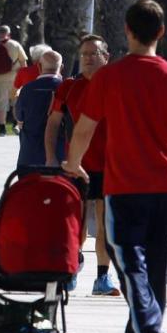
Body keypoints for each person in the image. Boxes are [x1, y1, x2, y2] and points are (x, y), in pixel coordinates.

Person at [63, 0, 167, 333]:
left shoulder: (109, 78)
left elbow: (84, 128)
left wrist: (72, 164)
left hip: (125, 187)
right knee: (154, 266)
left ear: (127, 32)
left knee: (128, 262)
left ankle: (149, 330)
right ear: (161, 33)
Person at [44, 34, 121, 296]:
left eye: (94, 54)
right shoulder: (68, 87)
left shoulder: (117, 87)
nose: (88, 59)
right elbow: (53, 123)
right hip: (75, 166)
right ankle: (72, 267)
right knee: (75, 224)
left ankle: (102, 278)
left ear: (106, 57)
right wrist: (51, 156)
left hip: (110, 166)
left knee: (104, 224)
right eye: (84, 54)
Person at [14, 50, 64, 168]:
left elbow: (19, 116)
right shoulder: (66, 88)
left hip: (30, 153)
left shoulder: (27, 89)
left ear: (39, 67)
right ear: (61, 68)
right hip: (60, 153)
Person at [0, 25, 27, 136]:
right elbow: (23, 62)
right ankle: (15, 124)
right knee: (15, 102)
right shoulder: (16, 45)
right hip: (15, 79)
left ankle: (2, 129)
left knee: (1, 105)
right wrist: (24, 78)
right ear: (9, 34)